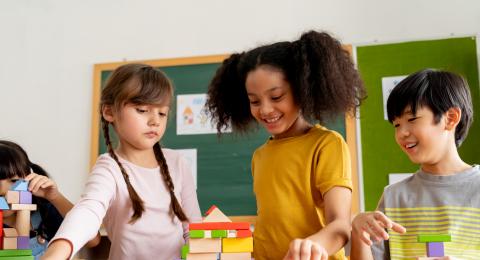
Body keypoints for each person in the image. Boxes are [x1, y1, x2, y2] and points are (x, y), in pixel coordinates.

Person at [206, 30, 366, 260]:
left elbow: (340, 225)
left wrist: (315, 245)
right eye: (254, 101)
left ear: (302, 90)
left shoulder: (326, 145)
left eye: (277, 96)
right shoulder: (259, 155)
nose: (265, 110)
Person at [42, 64, 201, 259]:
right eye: (142, 110)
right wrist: (56, 252)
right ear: (109, 112)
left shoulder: (177, 163)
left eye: (162, 113)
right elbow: (88, 211)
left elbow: (193, 229)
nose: (155, 121)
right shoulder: (109, 167)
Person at [351, 69, 480, 259]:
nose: (401, 133)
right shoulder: (393, 196)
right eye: (396, 125)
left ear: (451, 118)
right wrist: (358, 232)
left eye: (412, 119)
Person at [0, 140, 100, 259]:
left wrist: (55, 197)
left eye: (14, 181)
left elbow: (92, 240)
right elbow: (18, 255)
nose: (3, 191)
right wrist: (23, 209)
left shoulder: (43, 211)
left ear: (28, 178)